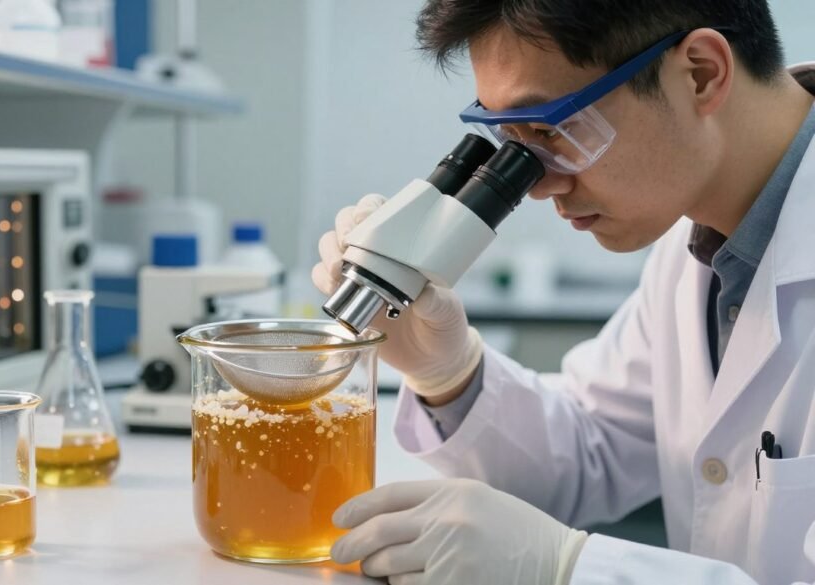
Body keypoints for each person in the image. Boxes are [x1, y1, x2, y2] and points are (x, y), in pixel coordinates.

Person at [310, 1, 815, 584]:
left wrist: (570, 569)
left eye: (554, 129)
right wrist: (449, 376)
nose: (540, 184)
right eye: (511, 143)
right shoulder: (696, 245)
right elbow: (591, 449)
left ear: (701, 73)